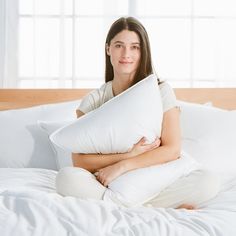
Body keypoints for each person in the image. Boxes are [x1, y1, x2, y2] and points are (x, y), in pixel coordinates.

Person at [56, 16, 220, 209]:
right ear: (108, 49)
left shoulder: (162, 91)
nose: (126, 53)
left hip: (155, 180)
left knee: (208, 181)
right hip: (109, 183)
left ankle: (124, 207)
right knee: (66, 178)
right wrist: (128, 154)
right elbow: (80, 161)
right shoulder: (92, 101)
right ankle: (155, 209)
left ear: (143, 52)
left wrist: (122, 165)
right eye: (119, 45)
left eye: (135, 47)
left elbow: (172, 149)